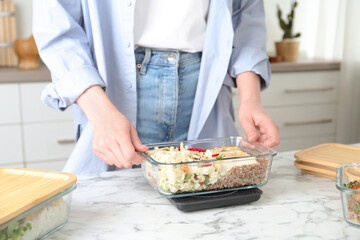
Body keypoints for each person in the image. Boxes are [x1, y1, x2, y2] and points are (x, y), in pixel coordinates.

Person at [33, 0, 280, 174]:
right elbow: (56, 26)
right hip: (113, 96)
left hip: (205, 93)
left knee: (208, 216)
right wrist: (100, 113)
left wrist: (250, 100)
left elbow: (245, 16)